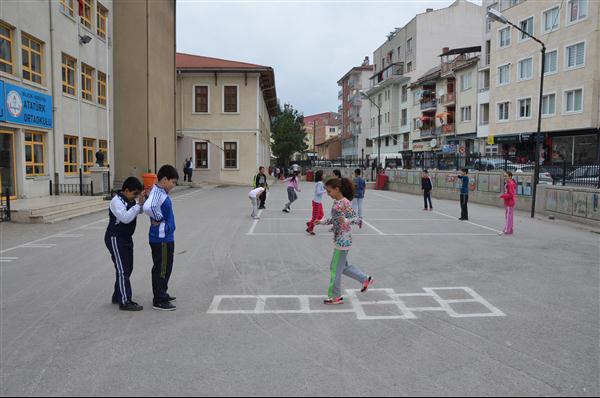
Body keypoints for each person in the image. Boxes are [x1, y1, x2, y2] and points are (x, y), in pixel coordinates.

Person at [317, 178, 373, 305]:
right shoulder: (337, 201)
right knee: (343, 266)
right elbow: (335, 219)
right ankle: (365, 279)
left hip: (343, 241)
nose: (328, 194)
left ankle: (335, 296)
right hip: (339, 239)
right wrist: (321, 222)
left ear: (337, 189)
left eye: (329, 191)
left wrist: (347, 221)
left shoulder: (345, 202)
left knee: (335, 268)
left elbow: (356, 219)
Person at [105, 177, 146, 311]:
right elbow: (126, 218)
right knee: (123, 269)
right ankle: (125, 300)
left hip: (126, 237)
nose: (135, 197)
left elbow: (138, 211)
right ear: (126, 190)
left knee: (128, 268)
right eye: (134, 193)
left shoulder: (130, 200)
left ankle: (118, 294)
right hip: (115, 238)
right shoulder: (116, 201)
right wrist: (138, 205)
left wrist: (142, 202)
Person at [143, 165, 179, 311]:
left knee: (165, 267)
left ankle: (162, 293)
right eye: (173, 182)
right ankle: (159, 299)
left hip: (165, 236)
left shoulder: (160, 191)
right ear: (164, 179)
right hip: (161, 238)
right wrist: (159, 217)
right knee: (161, 269)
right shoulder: (158, 193)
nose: (174, 185)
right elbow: (147, 207)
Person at [306, 170, 326, 235]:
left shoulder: (321, 183)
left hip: (319, 202)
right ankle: (310, 229)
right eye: (323, 174)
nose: (324, 175)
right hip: (316, 202)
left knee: (321, 215)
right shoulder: (320, 183)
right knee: (315, 217)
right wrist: (325, 191)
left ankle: (309, 224)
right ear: (321, 176)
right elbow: (318, 192)